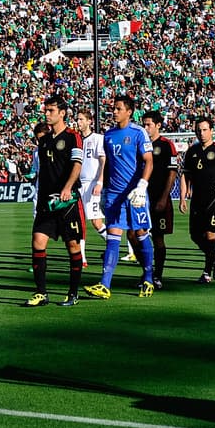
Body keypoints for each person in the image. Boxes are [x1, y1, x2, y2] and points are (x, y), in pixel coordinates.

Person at [84, 95, 156, 300]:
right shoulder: (108, 135)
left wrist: (142, 185)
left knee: (140, 234)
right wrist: (104, 187)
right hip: (114, 194)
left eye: (118, 108)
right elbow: (107, 164)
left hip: (135, 194)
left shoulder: (138, 133)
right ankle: (105, 284)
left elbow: (149, 161)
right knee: (113, 237)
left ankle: (149, 278)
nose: (114, 112)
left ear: (129, 111)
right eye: (113, 108)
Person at [25, 95, 85, 308]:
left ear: (62, 113)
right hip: (46, 203)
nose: (47, 114)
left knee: (73, 246)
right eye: (46, 110)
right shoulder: (43, 140)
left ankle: (73, 293)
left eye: (51, 110)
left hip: (67, 202)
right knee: (38, 242)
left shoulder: (73, 137)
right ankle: (41, 293)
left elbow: (77, 164)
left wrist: (67, 187)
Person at [178, 116, 215, 283]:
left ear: (211, 131)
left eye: (204, 130)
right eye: (198, 130)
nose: (201, 133)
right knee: (194, 235)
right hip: (197, 199)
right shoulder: (192, 151)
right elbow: (185, 175)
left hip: (213, 199)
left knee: (210, 234)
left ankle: (206, 272)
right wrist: (183, 197)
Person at [141, 110, 179, 289]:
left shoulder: (166, 145)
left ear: (158, 125)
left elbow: (172, 172)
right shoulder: (140, 143)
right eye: (144, 124)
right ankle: (146, 273)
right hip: (141, 198)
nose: (146, 127)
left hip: (159, 198)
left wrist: (164, 197)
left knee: (158, 238)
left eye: (149, 124)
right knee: (137, 236)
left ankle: (157, 275)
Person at [76, 109, 107, 268]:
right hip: (80, 185)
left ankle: (112, 246)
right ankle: (81, 258)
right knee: (79, 222)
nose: (78, 122)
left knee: (96, 222)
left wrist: (100, 182)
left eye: (81, 119)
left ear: (89, 121)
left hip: (93, 184)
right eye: (78, 119)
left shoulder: (97, 139)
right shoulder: (78, 140)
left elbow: (103, 161)